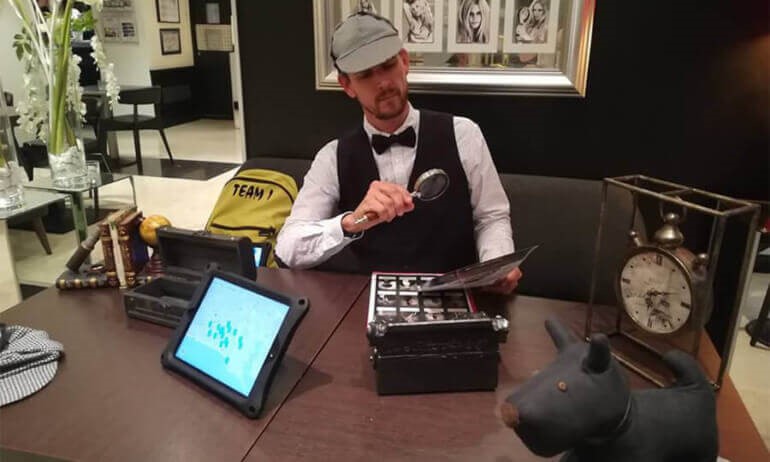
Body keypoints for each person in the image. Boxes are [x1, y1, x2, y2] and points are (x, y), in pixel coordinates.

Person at [275, 12, 522, 294]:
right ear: (347, 86)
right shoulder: (332, 157)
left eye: (387, 65)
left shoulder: (464, 134)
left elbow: (491, 217)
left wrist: (496, 265)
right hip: (368, 303)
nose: (382, 82)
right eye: (365, 74)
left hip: (454, 299)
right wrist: (351, 222)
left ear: (404, 61)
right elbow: (288, 248)